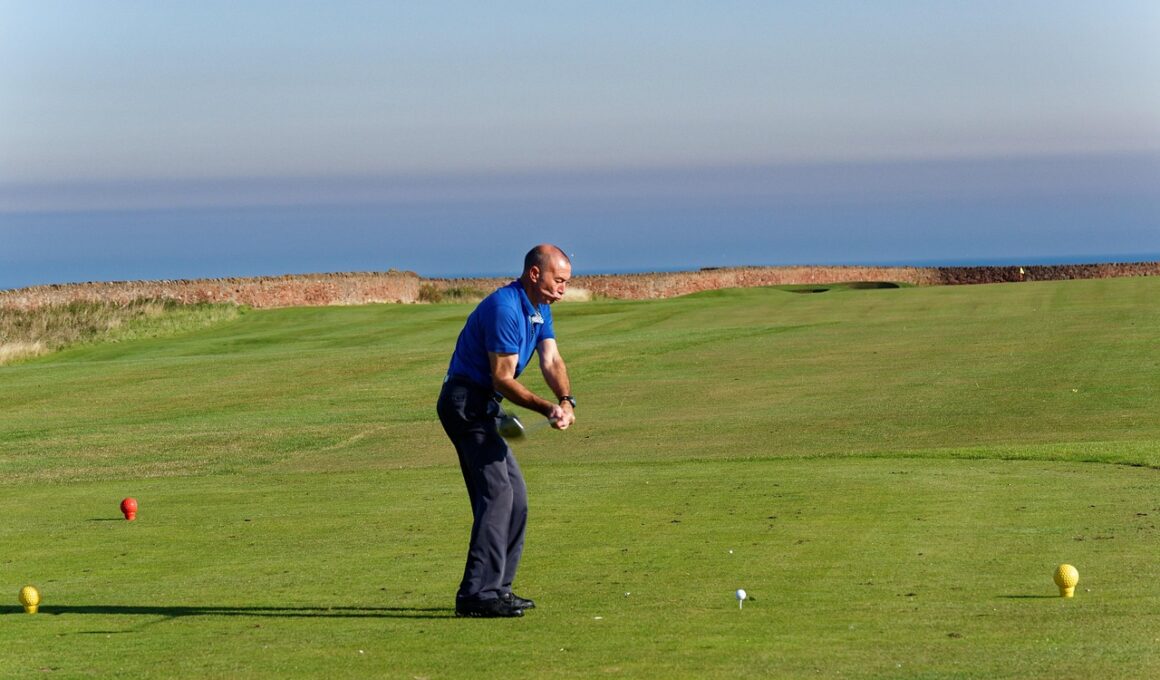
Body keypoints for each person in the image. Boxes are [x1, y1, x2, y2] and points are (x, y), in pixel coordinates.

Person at [437, 244, 577, 618]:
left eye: (566, 282)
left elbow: (551, 359)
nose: (563, 288)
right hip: (465, 404)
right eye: (558, 280)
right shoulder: (505, 308)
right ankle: (475, 595)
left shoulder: (539, 309)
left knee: (516, 498)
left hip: (485, 406)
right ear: (535, 273)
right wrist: (546, 408)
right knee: (498, 494)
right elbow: (502, 378)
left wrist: (565, 400)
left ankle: (498, 588)